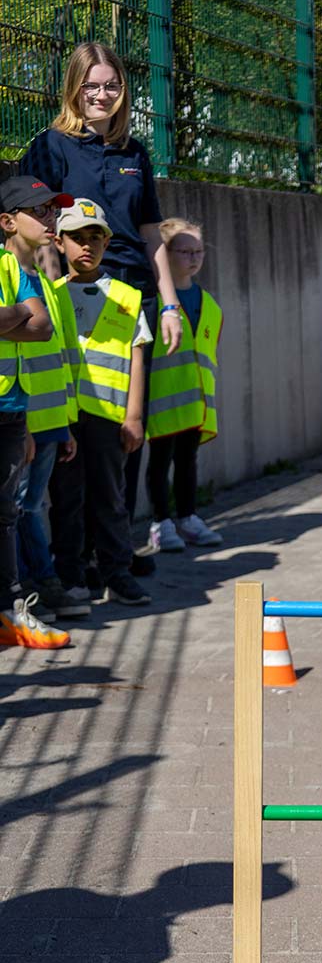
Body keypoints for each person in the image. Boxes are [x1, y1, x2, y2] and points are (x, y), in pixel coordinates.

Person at [19, 41, 183, 570]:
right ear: (73, 88)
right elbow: (32, 223)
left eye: (111, 85)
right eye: (91, 85)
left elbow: (150, 231)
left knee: (124, 429)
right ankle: (79, 555)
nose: (101, 95)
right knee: (75, 433)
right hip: (74, 300)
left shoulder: (135, 152)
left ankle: (117, 547)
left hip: (131, 297)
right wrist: (50, 287)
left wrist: (171, 305)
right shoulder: (51, 146)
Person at [49, 198, 152, 608]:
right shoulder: (50, 296)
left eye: (96, 237)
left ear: (108, 243)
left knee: (110, 497)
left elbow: (137, 356)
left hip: (110, 417)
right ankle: (71, 574)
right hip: (67, 417)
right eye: (77, 238)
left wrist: (135, 416)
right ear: (59, 243)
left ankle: (117, 572)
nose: (86, 246)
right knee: (67, 499)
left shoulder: (127, 296)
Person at [0, 177, 87, 626]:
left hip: (33, 416)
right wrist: (21, 316)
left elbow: (49, 337)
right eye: (41, 210)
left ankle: (20, 597)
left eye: (54, 210)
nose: (51, 218)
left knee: (20, 510)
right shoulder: (3, 268)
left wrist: (63, 423)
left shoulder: (38, 279)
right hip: (14, 414)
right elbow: (24, 327)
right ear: (9, 221)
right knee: (17, 510)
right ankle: (26, 594)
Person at [145, 218, 223, 553]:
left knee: (187, 459)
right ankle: (160, 522)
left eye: (198, 251)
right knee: (160, 461)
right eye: (184, 251)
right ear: (165, 253)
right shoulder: (155, 302)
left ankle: (188, 517)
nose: (193, 258)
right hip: (159, 400)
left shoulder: (210, 305)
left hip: (195, 402)